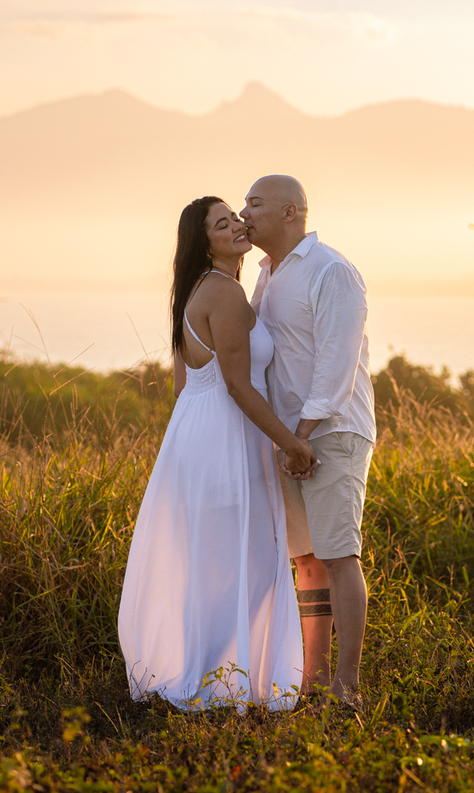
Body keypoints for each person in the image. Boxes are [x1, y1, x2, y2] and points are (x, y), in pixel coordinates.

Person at [118, 196, 315, 710]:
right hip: (226, 437)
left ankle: (215, 673)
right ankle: (220, 681)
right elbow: (238, 386)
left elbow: (185, 386)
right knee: (242, 557)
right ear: (205, 242)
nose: (236, 225)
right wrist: (291, 442)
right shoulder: (224, 294)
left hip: (197, 437)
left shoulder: (197, 292)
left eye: (236, 217)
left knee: (220, 560)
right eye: (222, 224)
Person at [242, 175, 376, 705]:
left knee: (340, 555)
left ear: (291, 211)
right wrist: (283, 441)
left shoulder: (331, 271)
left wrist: (301, 438)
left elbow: (336, 367)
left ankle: (347, 685)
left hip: (332, 433)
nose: (244, 211)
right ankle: (313, 676)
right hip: (291, 439)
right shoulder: (267, 273)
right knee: (307, 560)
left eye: (255, 203)